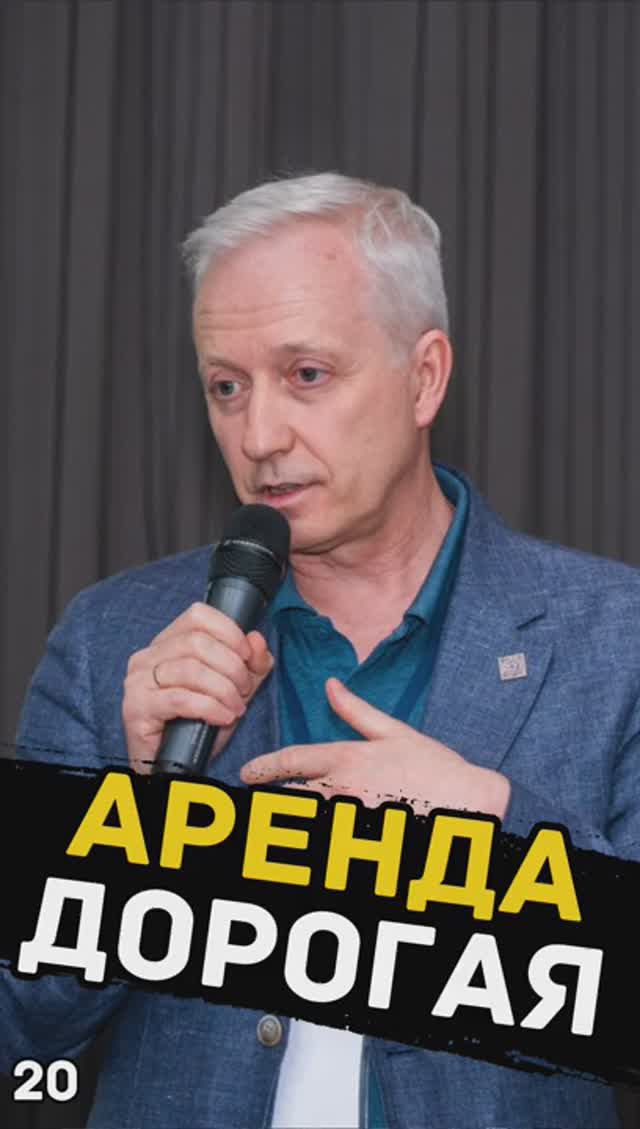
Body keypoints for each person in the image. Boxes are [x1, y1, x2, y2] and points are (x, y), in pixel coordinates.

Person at [3, 171, 640, 1128]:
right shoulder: (113, 640)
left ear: (425, 377)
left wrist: (499, 830)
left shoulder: (616, 637)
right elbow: (20, 1035)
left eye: (306, 374)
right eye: (226, 386)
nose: (259, 435)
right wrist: (126, 819)